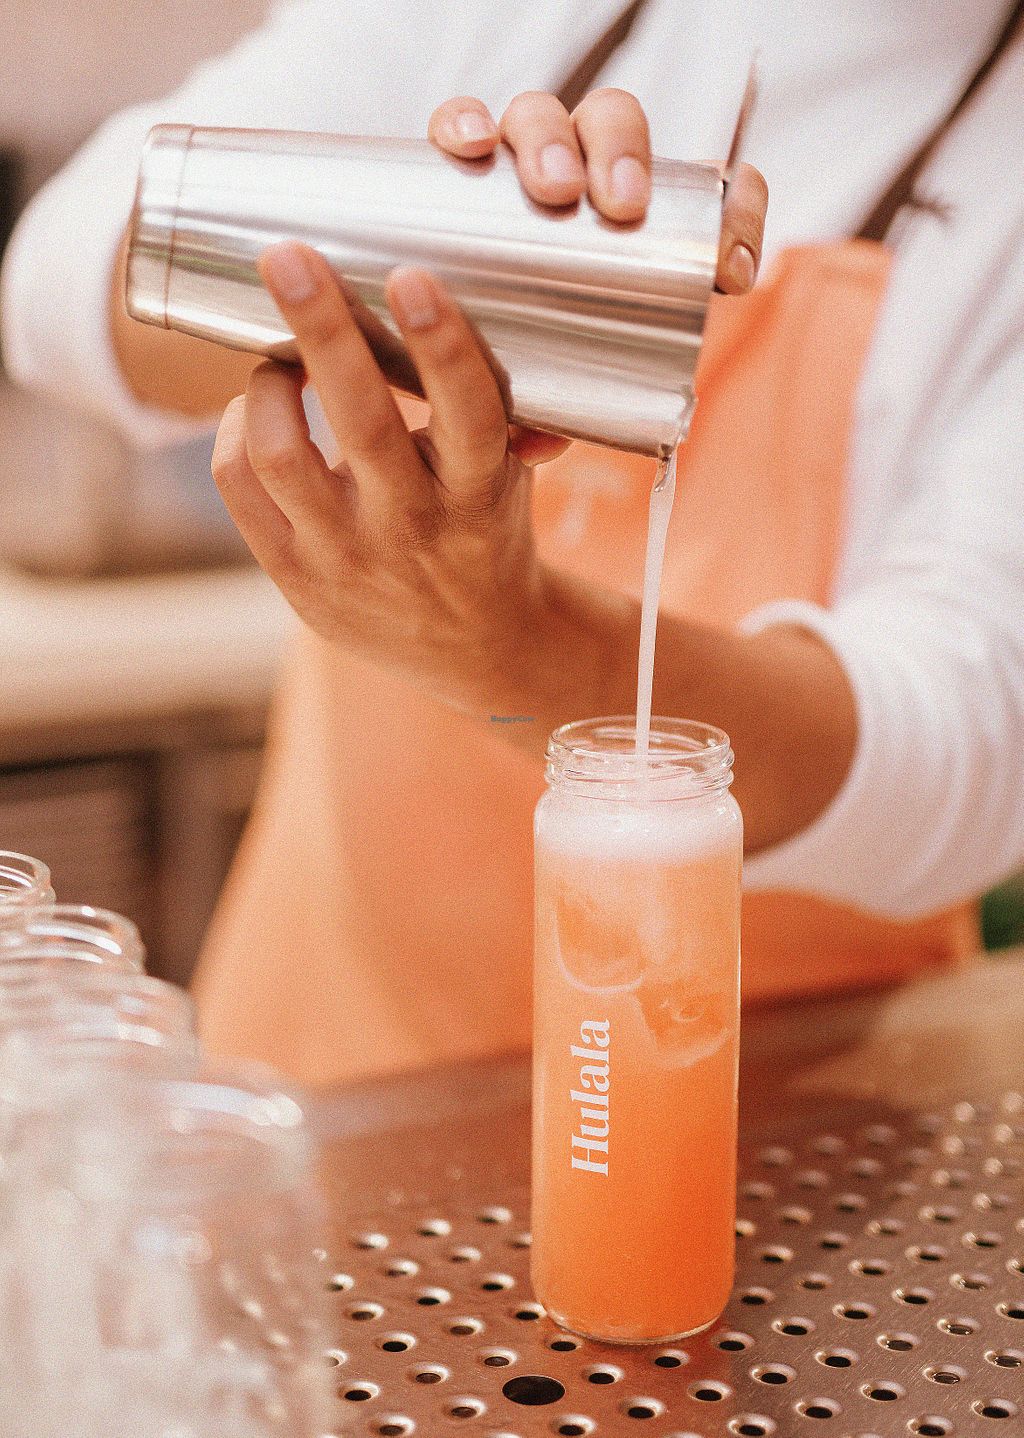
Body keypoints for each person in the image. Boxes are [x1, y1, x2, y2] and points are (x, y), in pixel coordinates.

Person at [3, 1, 1023, 1087]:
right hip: (338, 1071)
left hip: (777, 1099)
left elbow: (969, 748)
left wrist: (512, 646)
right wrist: (453, 263)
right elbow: (58, 279)